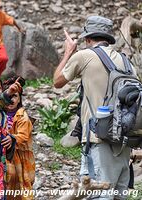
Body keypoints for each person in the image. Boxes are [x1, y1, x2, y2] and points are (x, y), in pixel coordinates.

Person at [53, 16, 134, 199]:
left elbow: (57, 81)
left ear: (88, 39)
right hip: (124, 142)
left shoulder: (84, 56)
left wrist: (68, 52)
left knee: (98, 195)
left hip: (98, 140)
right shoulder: (126, 62)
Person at [3, 76, 35, 200]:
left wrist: (12, 138)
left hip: (20, 156)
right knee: (7, 181)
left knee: (22, 183)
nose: (11, 100)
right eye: (9, 96)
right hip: (4, 154)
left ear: (20, 98)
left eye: (15, 96)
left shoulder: (22, 117)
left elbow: (23, 136)